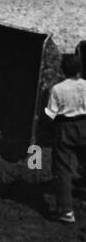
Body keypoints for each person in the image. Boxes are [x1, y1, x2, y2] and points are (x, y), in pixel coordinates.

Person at [45, 54, 86, 224]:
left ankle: (66, 211)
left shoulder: (57, 89)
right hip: (85, 124)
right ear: (80, 69)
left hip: (65, 127)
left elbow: (50, 114)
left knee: (62, 168)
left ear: (63, 70)